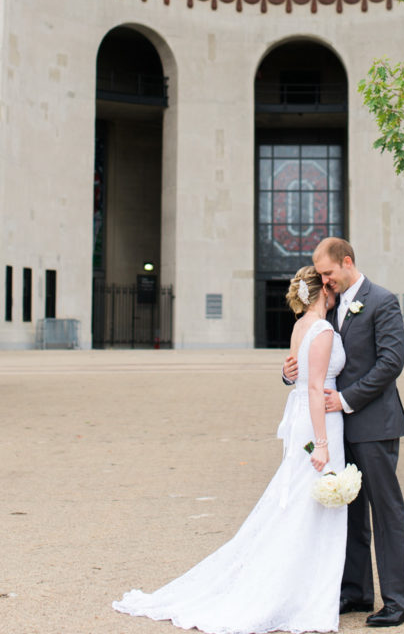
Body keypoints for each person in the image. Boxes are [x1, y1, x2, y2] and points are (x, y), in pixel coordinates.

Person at [113, 266, 348, 633]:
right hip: (318, 423)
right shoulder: (323, 330)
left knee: (301, 504)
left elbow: (298, 376)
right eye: (330, 288)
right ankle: (299, 593)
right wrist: (321, 444)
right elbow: (316, 388)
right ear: (322, 292)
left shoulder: (302, 325)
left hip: (305, 416)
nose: (334, 292)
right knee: (310, 504)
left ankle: (303, 588)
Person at [283, 237, 404, 627]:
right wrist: (289, 372)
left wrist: (346, 400)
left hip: (374, 423)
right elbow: (314, 359)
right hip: (339, 429)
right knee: (350, 510)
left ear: (347, 261)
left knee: (385, 510)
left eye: (328, 273)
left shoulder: (382, 301)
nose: (325, 282)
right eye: (321, 276)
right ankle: (356, 591)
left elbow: (391, 362)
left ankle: (398, 601)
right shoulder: (332, 303)